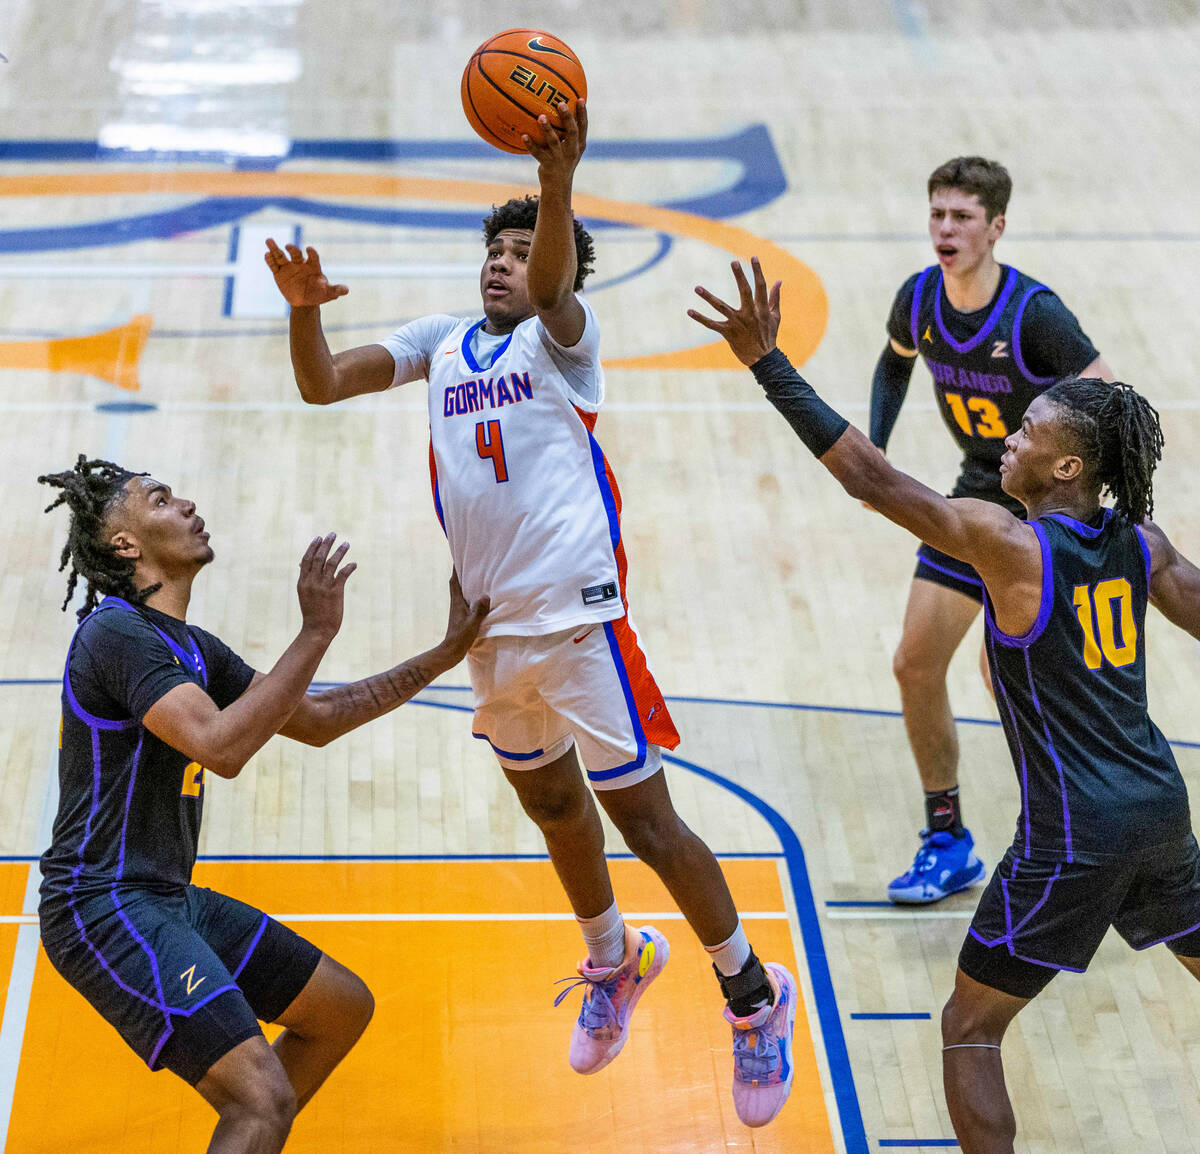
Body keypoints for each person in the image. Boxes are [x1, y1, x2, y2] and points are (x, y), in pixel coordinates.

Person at [262, 101, 798, 1127]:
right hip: (491, 632)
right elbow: (324, 383)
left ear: (557, 269)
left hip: (581, 617)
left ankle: (751, 994)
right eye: (494, 251)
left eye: (523, 251)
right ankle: (615, 958)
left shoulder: (568, 344)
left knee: (647, 819)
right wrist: (302, 309)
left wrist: (556, 182)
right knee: (555, 811)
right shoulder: (441, 344)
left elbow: (553, 282)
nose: (504, 264)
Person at [691, 257, 1200, 1154]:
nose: (1009, 434)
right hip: (1163, 811)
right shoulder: (1141, 542)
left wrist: (768, 363)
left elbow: (875, 483)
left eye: (1029, 429)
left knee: (970, 1027)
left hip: (1074, 835)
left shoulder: (1009, 545)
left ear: (1068, 465)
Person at [37, 455, 486, 1154]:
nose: (185, 504)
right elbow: (221, 747)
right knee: (260, 1098)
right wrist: (313, 633)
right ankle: (256, 1125)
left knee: (339, 1010)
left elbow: (317, 718)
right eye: (160, 499)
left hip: (166, 899)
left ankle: (254, 1136)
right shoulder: (116, 634)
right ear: (125, 544)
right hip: (102, 905)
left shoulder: (191, 648)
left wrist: (441, 655)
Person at [869, 157, 1113, 903]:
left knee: (1010, 675)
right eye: (937, 214)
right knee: (915, 662)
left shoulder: (1034, 315)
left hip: (1042, 508)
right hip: (979, 491)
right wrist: (876, 453)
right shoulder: (918, 300)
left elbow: (1106, 396)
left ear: (995, 227)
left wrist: (1083, 501)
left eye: (962, 217)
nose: (945, 229)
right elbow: (893, 363)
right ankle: (947, 838)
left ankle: (1078, 832)